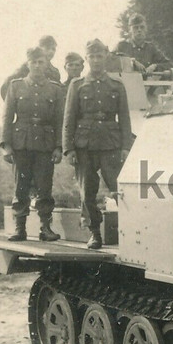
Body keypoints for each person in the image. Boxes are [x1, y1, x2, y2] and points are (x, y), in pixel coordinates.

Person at [63, 39, 133, 249]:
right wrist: (69, 149)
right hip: (84, 145)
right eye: (92, 57)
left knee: (120, 189)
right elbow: (69, 119)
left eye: (100, 56)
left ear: (106, 57)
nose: (96, 60)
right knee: (87, 192)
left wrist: (125, 146)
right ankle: (94, 233)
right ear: (87, 59)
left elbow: (125, 118)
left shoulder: (117, 86)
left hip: (111, 143)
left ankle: (133, 231)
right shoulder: (76, 85)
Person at [0, 46, 65, 242]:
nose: (37, 66)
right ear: (28, 64)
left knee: (45, 187)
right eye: (34, 62)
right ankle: (20, 228)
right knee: (21, 187)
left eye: (41, 62)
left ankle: (45, 228)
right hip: (21, 143)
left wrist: (58, 147)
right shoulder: (16, 86)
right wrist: (6, 145)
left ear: (47, 64)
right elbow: (7, 117)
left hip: (45, 143)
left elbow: (59, 120)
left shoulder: (55, 88)